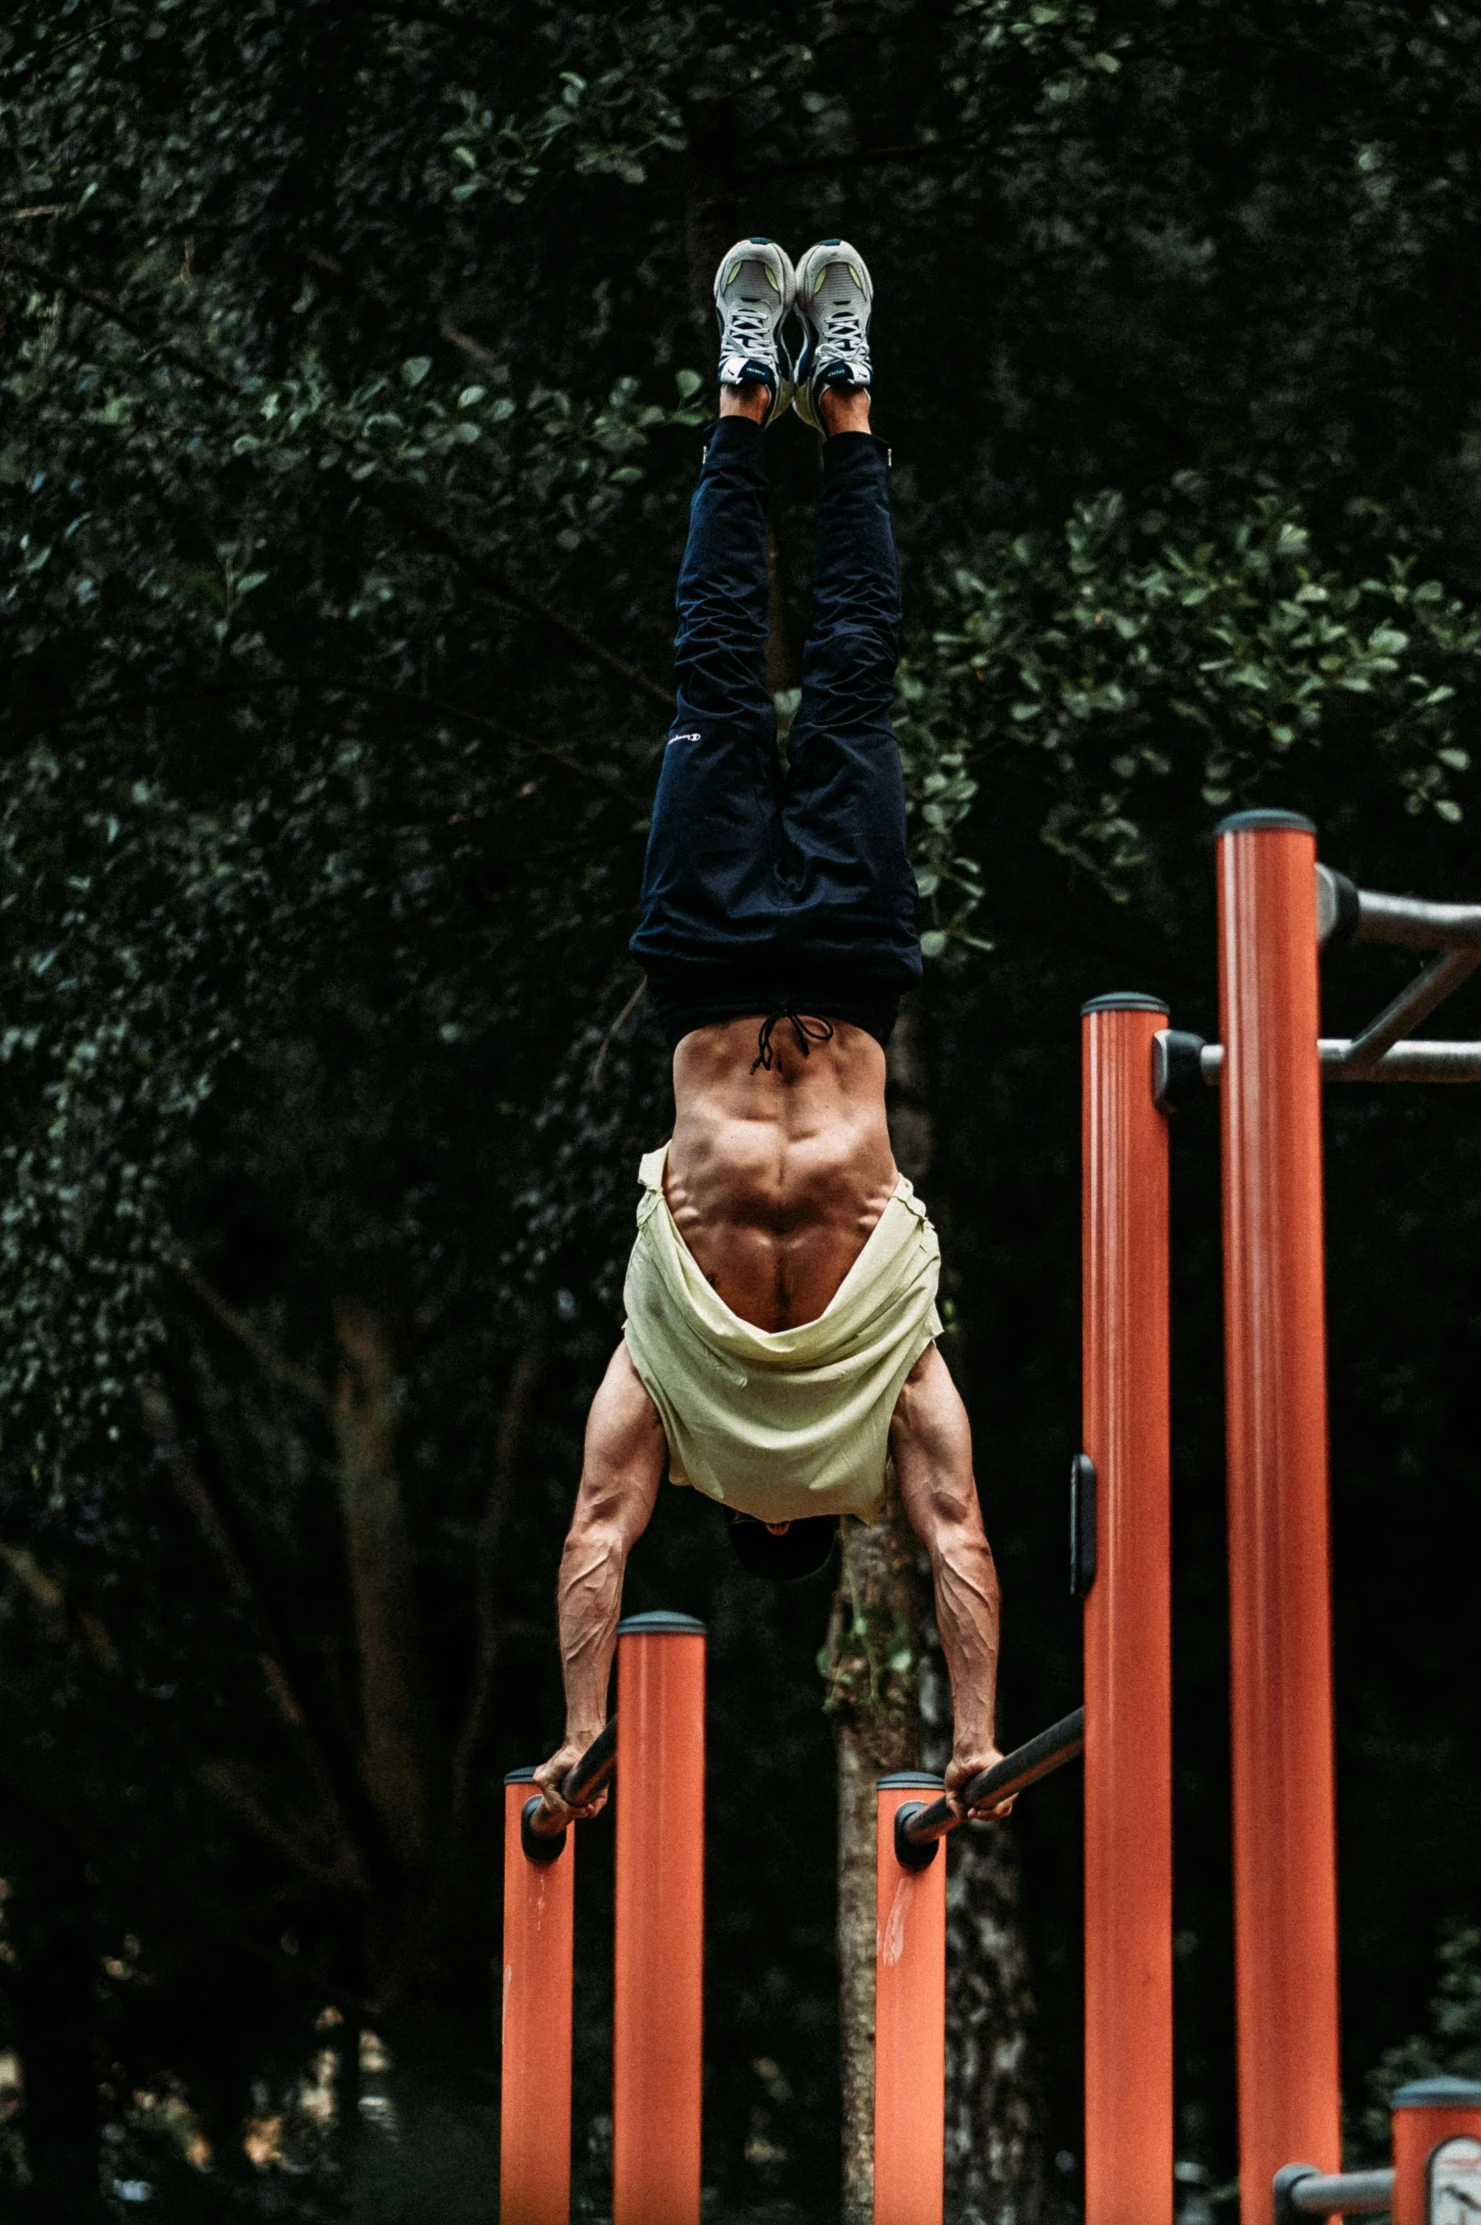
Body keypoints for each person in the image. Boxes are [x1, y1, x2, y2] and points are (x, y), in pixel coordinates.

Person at [534, 237, 1010, 1828]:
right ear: (742, 1511)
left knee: (845, 680)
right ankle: (775, 392)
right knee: (734, 667)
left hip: (815, 973)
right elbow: (604, 1529)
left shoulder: (869, 1386)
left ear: (800, 1509)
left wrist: (978, 1739)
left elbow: (955, 1540)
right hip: (733, 966)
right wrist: (582, 1727)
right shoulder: (695, 1385)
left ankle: (819, 389)